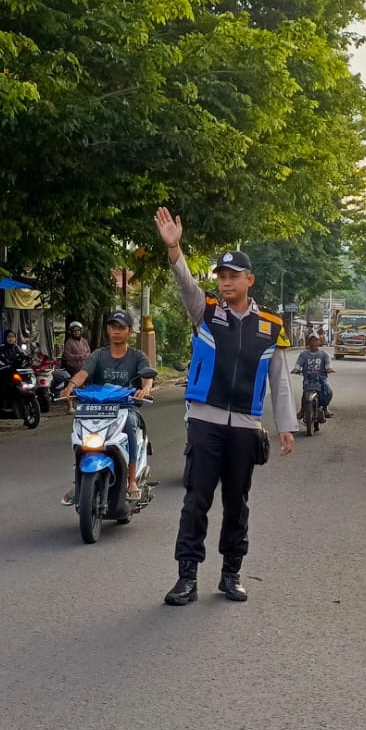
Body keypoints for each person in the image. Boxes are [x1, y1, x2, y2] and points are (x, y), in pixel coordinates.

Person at [154, 208, 296, 606]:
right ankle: (186, 577)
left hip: (246, 427)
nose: (226, 282)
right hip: (205, 420)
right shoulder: (207, 313)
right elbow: (185, 284)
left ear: (249, 280)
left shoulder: (270, 326)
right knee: (195, 501)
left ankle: (231, 574)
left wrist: (286, 426)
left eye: (233, 276)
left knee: (237, 503)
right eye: (221, 276)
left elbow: (279, 380)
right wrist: (174, 248)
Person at [62, 308, 155, 504]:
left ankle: (131, 480)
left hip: (125, 408)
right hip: (95, 408)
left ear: (129, 331)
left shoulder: (137, 356)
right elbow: (83, 373)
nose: (117, 331)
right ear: (108, 330)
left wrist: (145, 389)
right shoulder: (98, 355)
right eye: (113, 327)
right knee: (78, 430)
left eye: (121, 327)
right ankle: (78, 480)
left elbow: (147, 377)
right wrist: (71, 385)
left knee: (130, 425)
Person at [293, 333, 332, 421]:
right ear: (309, 342)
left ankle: (325, 408)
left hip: (321, 379)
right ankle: (302, 410)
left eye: (316, 340)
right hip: (308, 379)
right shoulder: (304, 354)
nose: (313, 342)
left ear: (319, 342)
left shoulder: (324, 354)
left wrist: (329, 368)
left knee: (328, 391)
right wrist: (296, 369)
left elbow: (328, 362)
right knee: (305, 394)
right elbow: (299, 363)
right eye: (312, 340)